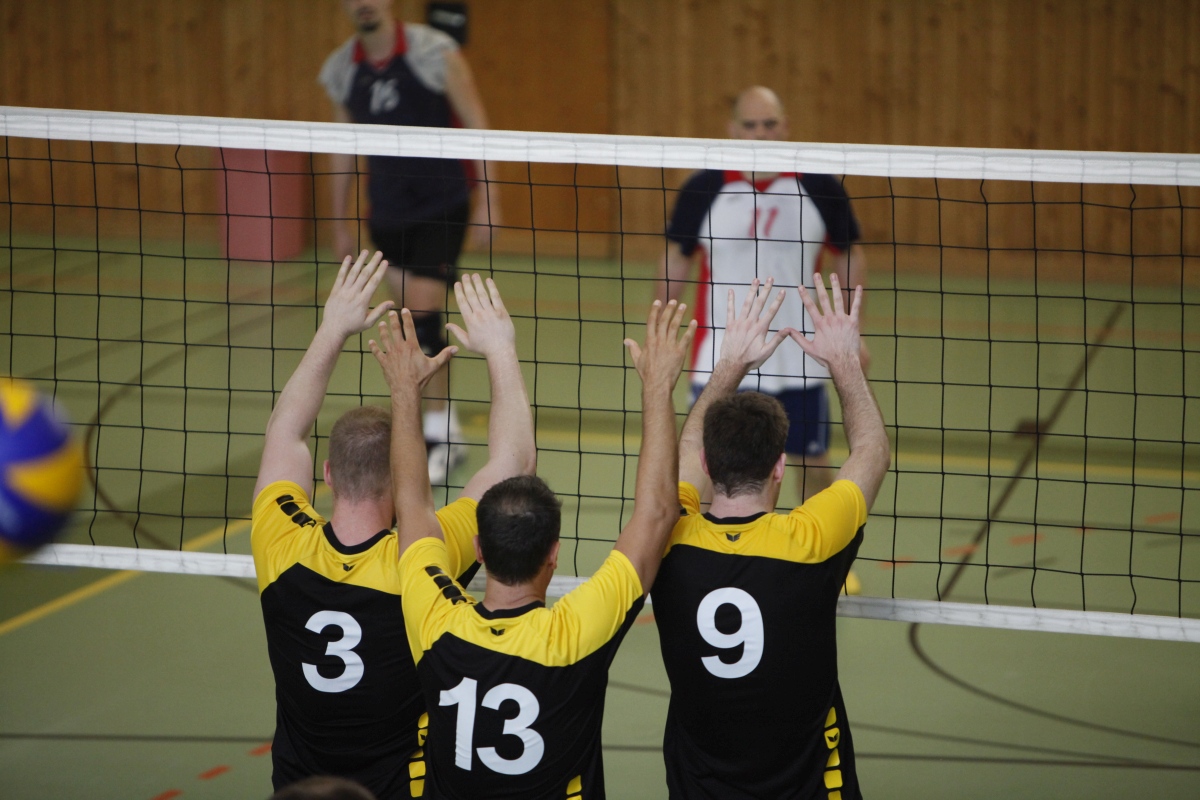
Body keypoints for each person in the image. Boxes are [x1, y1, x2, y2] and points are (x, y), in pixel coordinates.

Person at [370, 294, 696, 799]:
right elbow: (657, 513)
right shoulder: (573, 633)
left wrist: (404, 391)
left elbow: (412, 506)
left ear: (478, 550)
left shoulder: (436, 620)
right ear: (554, 554)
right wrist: (657, 386)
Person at [251, 252, 534, 799]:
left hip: (298, 788)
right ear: (401, 484)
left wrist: (333, 327)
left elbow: (284, 432)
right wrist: (500, 348)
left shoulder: (281, 541)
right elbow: (515, 461)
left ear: (328, 474)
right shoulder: (420, 557)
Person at [650, 274, 890, 799]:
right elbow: (871, 451)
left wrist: (729, 364)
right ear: (780, 467)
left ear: (709, 465)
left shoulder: (669, 538)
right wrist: (844, 362)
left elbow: (685, 450)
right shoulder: (811, 541)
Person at [657, 86, 868, 508]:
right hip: (722, 357)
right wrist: (662, 328)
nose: (760, 134)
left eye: (770, 124)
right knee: (702, 470)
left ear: (785, 127)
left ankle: (819, 552)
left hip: (800, 359)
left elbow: (850, 254)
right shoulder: (703, 188)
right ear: (733, 130)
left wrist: (853, 330)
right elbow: (676, 259)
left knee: (814, 468)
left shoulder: (819, 186)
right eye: (750, 125)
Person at [319, 0, 502, 484]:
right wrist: (338, 221)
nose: (364, 3)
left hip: (441, 205)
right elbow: (342, 148)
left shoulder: (432, 51)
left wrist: (489, 200)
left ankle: (441, 433)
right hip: (386, 211)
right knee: (407, 322)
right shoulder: (342, 69)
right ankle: (432, 427)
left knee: (423, 320)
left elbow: (478, 122)